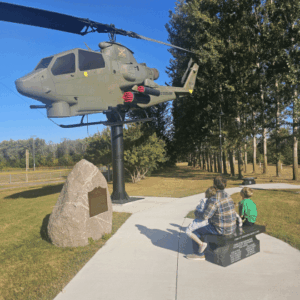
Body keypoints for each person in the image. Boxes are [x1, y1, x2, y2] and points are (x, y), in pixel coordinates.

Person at [186, 176, 239, 261]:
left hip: (221, 229)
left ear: (214, 184)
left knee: (194, 231)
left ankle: (199, 254)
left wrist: (196, 213)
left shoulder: (214, 199)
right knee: (206, 227)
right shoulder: (227, 195)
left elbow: (205, 216)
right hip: (232, 227)